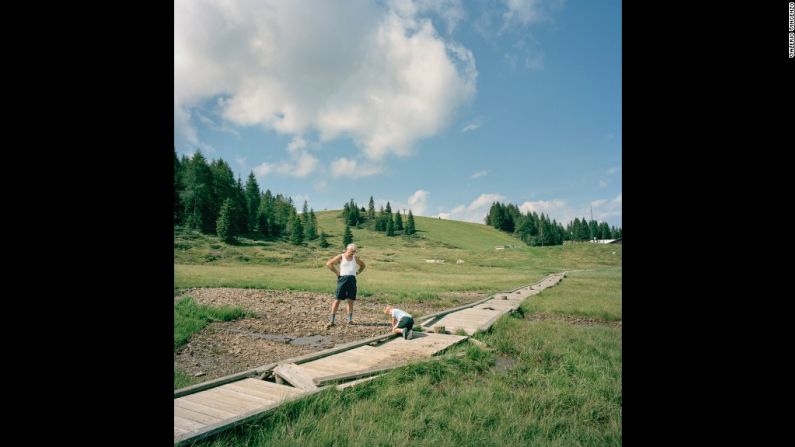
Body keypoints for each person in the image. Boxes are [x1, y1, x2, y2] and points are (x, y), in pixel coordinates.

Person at [325, 243, 365, 326]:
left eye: (354, 251)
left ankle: (350, 320)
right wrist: (336, 272)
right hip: (343, 279)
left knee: (350, 300)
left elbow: (363, 265)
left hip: (352, 280)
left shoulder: (355, 258)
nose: (353, 253)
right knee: (337, 299)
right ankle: (332, 321)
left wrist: (358, 272)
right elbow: (329, 264)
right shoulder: (341, 256)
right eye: (352, 251)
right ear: (347, 249)